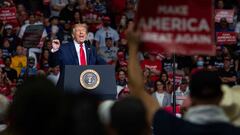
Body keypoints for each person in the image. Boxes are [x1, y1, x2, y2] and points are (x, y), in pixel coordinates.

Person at [127, 27, 240, 135]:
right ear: (221, 97)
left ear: (191, 97)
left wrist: (132, 47)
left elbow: (137, 89)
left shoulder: (170, 125)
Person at [49, 23, 106, 88]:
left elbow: (102, 64)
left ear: (86, 35)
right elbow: (52, 63)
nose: (81, 32)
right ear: (73, 35)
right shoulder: (64, 48)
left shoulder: (91, 49)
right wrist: (55, 50)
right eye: (78, 30)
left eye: (83, 30)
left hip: (87, 86)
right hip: (67, 88)